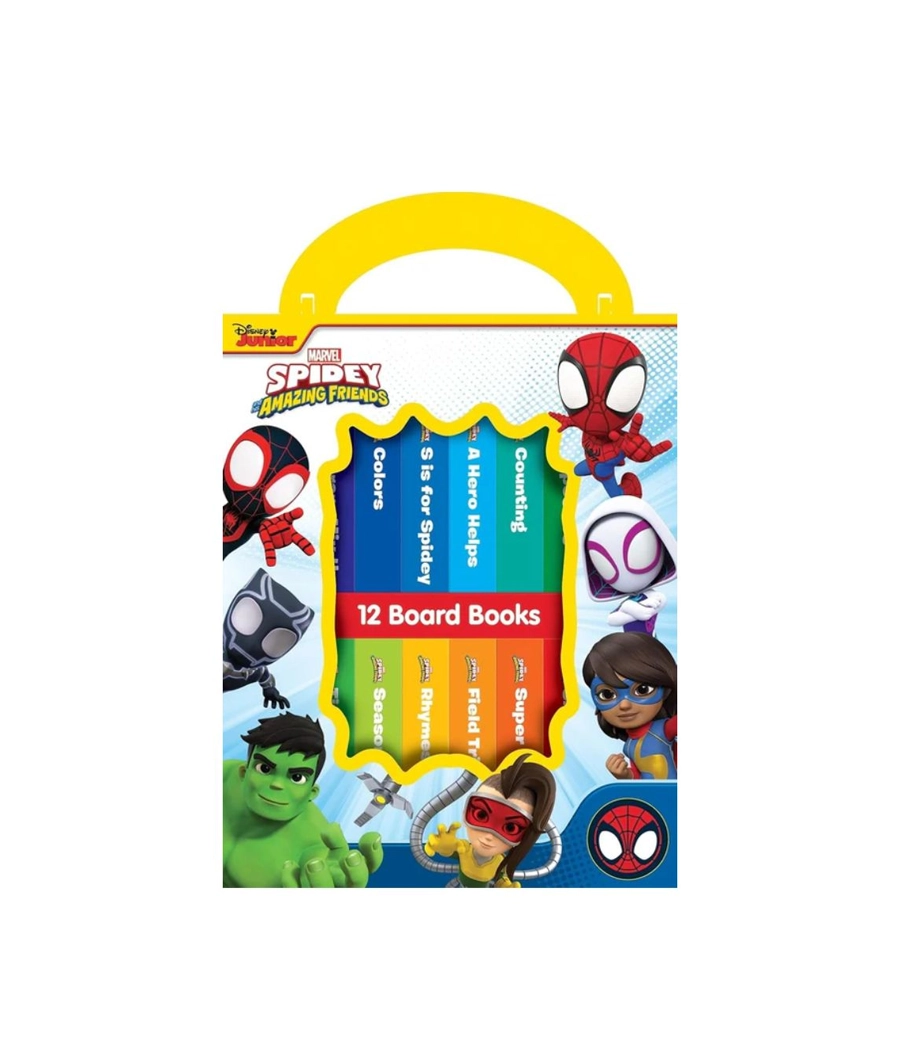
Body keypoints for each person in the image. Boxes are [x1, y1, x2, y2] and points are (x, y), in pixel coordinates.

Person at [223, 712, 382, 887]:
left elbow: (320, 858)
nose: (277, 784)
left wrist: (330, 870)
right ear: (243, 772)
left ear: (312, 793)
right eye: (265, 769)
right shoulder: (225, 776)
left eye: (297, 777)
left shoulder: (312, 837)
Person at [424, 755, 556, 887]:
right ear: (465, 811)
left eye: (510, 828)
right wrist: (444, 846)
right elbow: (451, 849)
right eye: (481, 815)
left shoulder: (499, 862)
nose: (489, 836)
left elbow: (501, 879)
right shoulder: (463, 849)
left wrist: (504, 886)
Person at [582, 632, 677, 781]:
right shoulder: (629, 745)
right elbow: (639, 780)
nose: (624, 705)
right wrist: (625, 775)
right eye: (607, 694)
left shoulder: (663, 730)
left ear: (665, 690)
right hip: (651, 796)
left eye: (642, 690)